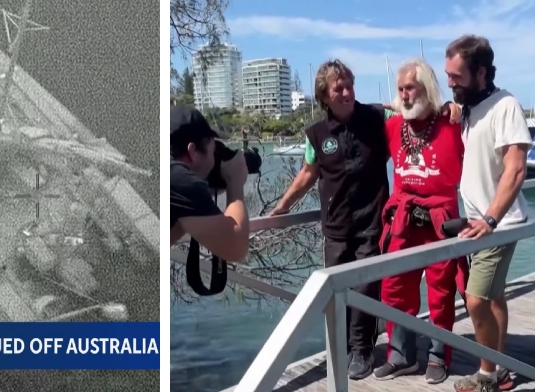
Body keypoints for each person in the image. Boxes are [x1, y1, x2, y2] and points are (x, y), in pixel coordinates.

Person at [269, 59, 390, 379]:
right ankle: (345, 346)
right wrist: (282, 206)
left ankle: (363, 349)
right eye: (340, 88)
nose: (348, 92)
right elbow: (308, 174)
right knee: (337, 292)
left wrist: (445, 109)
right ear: (324, 95)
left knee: (365, 287)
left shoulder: (377, 118)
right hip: (336, 227)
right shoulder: (317, 133)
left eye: (350, 85)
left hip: (372, 222)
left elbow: (412, 115)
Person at [371, 59, 466, 384]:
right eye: (400, 90)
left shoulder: (452, 122)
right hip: (403, 220)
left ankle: (439, 355)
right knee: (394, 288)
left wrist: (453, 106)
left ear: (427, 89)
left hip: (441, 223)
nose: (405, 95)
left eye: (410, 88)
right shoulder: (393, 125)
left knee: (441, 291)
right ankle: (401, 355)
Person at [445, 35, 531, 392]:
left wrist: (491, 219)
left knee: (475, 298)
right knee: (494, 297)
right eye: (447, 75)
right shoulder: (469, 106)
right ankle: (502, 371)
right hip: (481, 223)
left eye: (456, 76)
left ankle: (486, 376)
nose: (450, 82)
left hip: (497, 226)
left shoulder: (505, 105)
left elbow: (515, 170)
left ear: (480, 72)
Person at [170, 105, 250, 262]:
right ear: (192, 151)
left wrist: (208, 187)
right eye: (214, 150)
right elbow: (236, 249)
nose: (214, 159)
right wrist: (235, 181)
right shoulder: (180, 180)